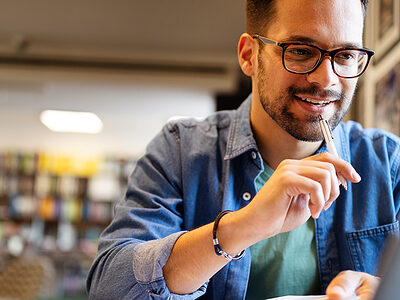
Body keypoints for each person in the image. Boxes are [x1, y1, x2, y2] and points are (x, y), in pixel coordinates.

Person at [87, 0, 400, 299]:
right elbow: (110, 288)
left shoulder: (389, 163)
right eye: (301, 51)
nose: (326, 79)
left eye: (345, 55)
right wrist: (240, 228)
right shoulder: (180, 151)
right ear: (249, 55)